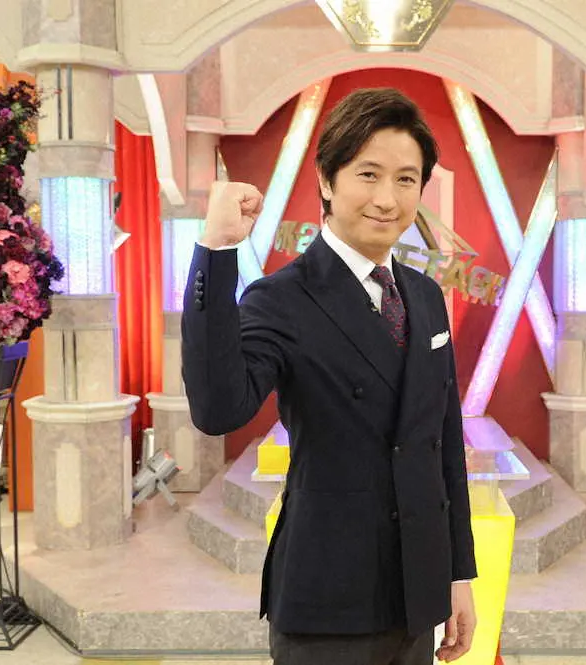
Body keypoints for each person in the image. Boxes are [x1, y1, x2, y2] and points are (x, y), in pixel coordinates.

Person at [181, 88, 477, 665]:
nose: (387, 199)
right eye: (368, 174)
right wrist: (215, 250)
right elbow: (218, 410)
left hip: (416, 594)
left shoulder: (424, 295)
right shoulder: (281, 297)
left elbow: (443, 444)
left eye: (406, 180)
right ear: (325, 178)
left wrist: (457, 573)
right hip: (327, 599)